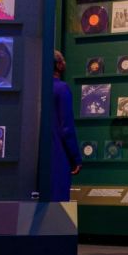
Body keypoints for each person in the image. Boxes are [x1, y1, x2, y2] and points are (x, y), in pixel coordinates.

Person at [50, 51, 81, 200]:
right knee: (57, 206)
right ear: (59, 65)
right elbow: (66, 127)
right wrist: (75, 157)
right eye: (63, 60)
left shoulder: (36, 88)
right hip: (57, 155)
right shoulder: (61, 88)